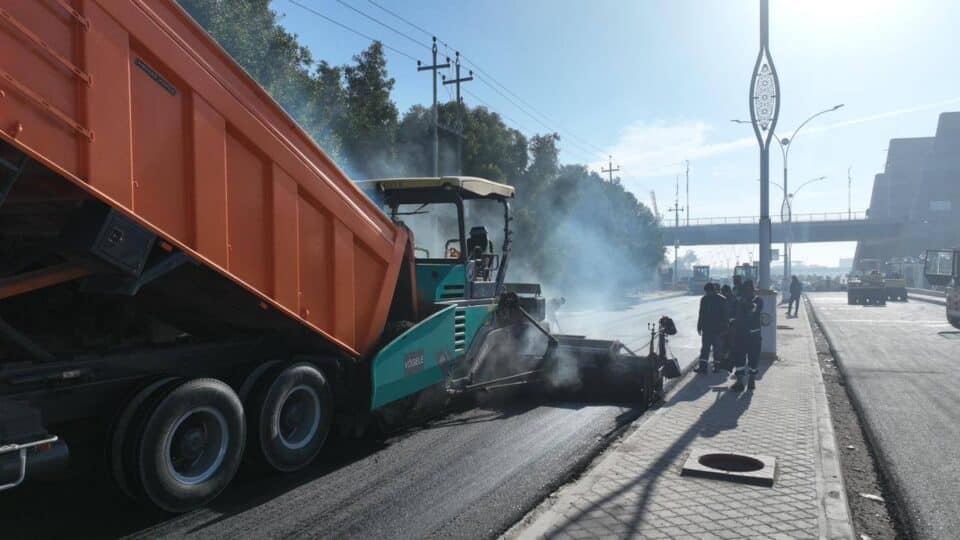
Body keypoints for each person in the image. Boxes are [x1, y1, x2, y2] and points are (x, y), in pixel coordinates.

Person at [731, 279, 763, 391]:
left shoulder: (757, 301)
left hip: (748, 335)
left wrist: (741, 301)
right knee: (744, 359)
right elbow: (732, 317)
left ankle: (750, 381)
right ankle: (744, 382)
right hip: (745, 335)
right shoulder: (755, 300)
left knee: (750, 359)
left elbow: (752, 309)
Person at [695, 283, 726, 374]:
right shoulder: (705, 299)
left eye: (708, 291)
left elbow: (725, 316)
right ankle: (704, 368)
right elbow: (701, 314)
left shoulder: (720, 299)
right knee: (707, 349)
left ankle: (715, 367)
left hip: (716, 329)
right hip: (709, 329)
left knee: (714, 349)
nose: (707, 293)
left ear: (712, 290)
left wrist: (724, 328)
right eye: (706, 292)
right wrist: (699, 326)